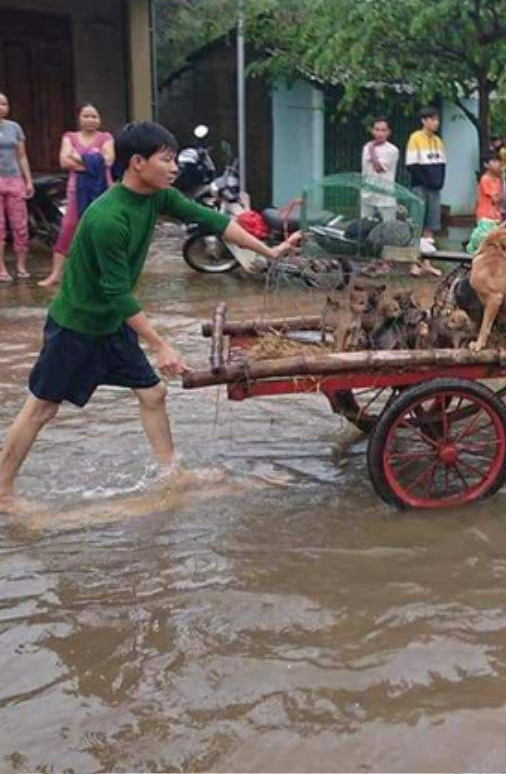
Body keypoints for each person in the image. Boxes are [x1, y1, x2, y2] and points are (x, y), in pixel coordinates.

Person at [0, 122, 302, 512]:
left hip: (112, 324)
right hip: (77, 326)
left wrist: (270, 252)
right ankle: (4, 494)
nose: (174, 167)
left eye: (175, 158)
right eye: (167, 159)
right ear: (138, 163)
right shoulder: (109, 218)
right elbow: (116, 291)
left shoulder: (158, 197)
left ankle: (172, 473)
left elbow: (214, 221)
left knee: (153, 393)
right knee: (41, 408)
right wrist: (161, 345)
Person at [38, 103, 115, 288]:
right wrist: (93, 163)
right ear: (79, 118)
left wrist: (79, 159)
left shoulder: (106, 137)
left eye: (94, 116)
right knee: (69, 227)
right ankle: (56, 273)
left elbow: (108, 160)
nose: (90, 120)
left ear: (100, 119)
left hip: (103, 188)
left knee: (101, 229)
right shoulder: (70, 137)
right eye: (86, 116)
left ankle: (104, 273)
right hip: (76, 189)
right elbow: (64, 161)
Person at [0, 91, 34, 282]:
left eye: (4, 104)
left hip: (14, 180)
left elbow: (21, 156)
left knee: (20, 225)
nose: (1, 107)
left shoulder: (15, 128)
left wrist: (27, 180)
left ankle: (21, 266)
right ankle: (2, 268)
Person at [405, 105, 447, 257]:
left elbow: (442, 164)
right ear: (424, 121)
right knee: (418, 222)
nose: (436, 123)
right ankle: (414, 261)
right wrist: (427, 181)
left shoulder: (438, 141)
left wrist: (439, 182)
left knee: (432, 223)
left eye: (437, 119)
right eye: (433, 119)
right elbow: (411, 165)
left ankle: (427, 260)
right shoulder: (415, 138)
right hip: (421, 186)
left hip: (435, 188)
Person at [359, 116, 401, 222]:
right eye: (377, 130)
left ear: (388, 132)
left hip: (385, 196)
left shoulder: (392, 150)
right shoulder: (366, 147)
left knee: (388, 228)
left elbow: (379, 168)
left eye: (383, 130)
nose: (380, 133)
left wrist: (372, 149)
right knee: (365, 226)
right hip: (367, 195)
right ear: (372, 131)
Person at [475, 149, 505, 224]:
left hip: (496, 216)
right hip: (485, 217)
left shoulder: (498, 180)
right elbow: (495, 198)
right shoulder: (485, 179)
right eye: (494, 161)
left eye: (498, 161)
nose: (497, 164)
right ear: (486, 164)